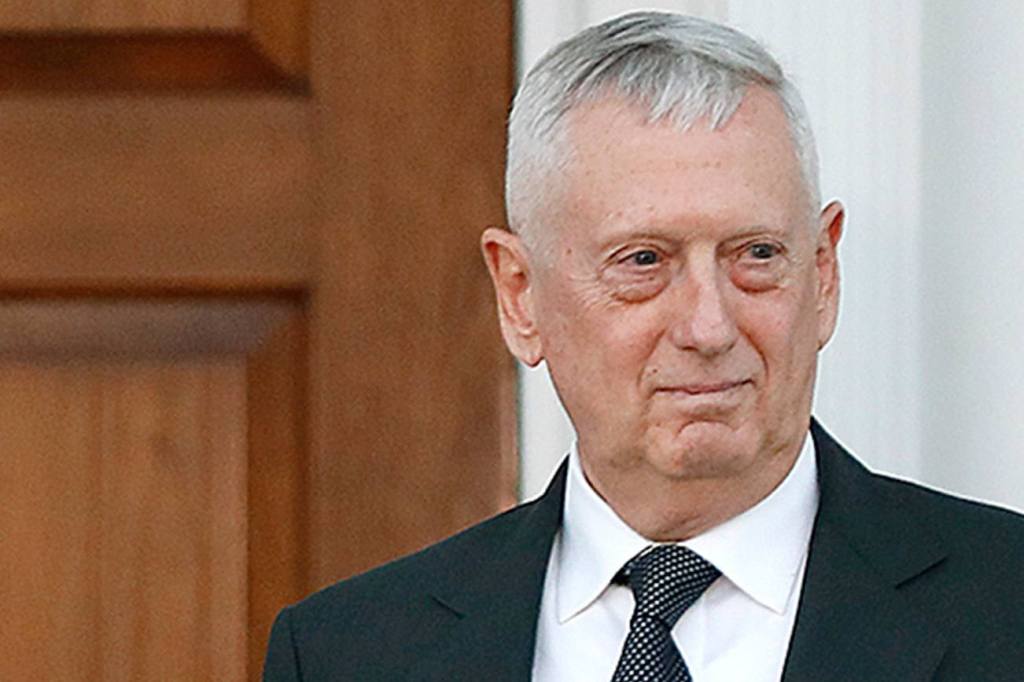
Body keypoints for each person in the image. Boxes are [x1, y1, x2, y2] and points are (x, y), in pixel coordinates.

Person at [264, 12, 1024, 681]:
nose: (709, 328)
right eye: (644, 262)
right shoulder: (348, 654)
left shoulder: (1004, 608)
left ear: (823, 274)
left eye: (757, 255)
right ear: (520, 296)